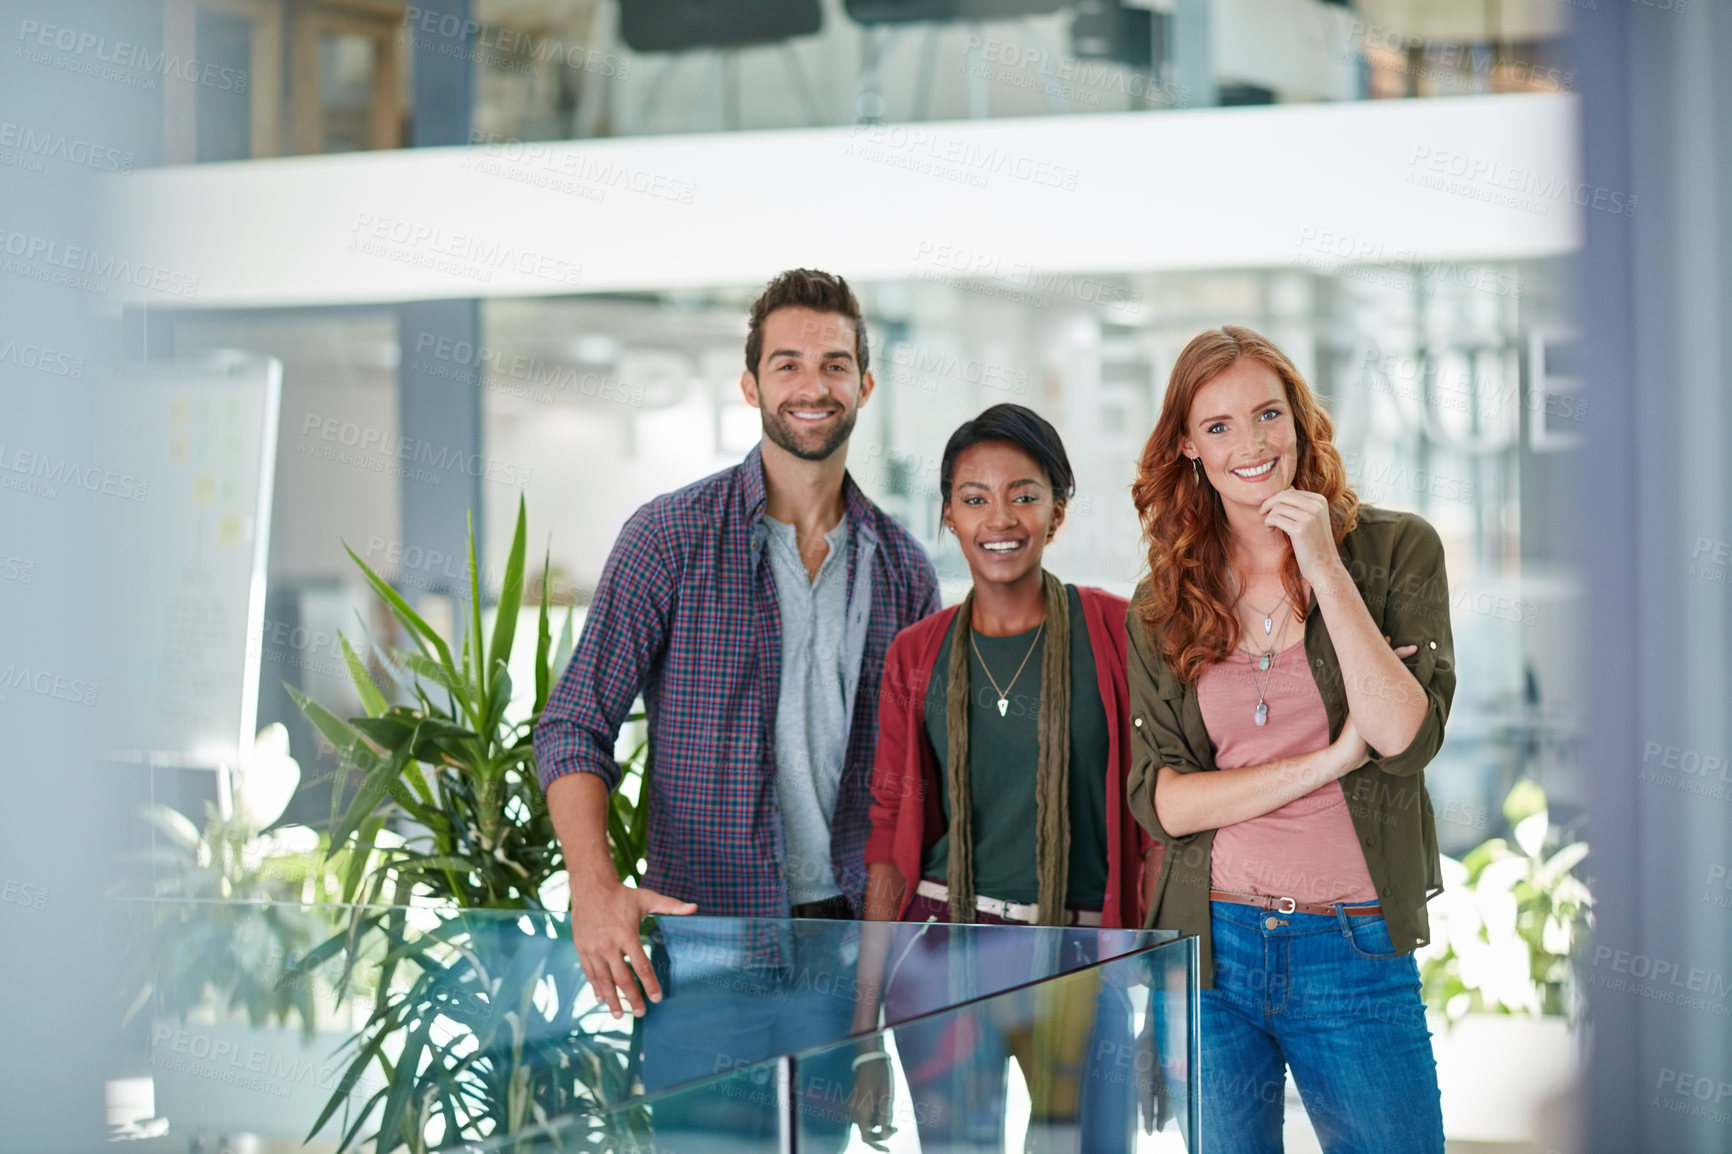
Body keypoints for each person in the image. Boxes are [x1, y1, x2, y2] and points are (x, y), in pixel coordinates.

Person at [532, 270, 940, 1124]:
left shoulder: (902, 567)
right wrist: (594, 887)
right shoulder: (670, 537)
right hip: (704, 944)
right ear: (751, 385)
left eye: (834, 364)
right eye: (787, 364)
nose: (812, 386)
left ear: (865, 385)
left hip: (837, 956)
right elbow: (575, 723)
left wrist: (874, 1014)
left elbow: (913, 792)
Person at [1126, 325, 1455, 1153]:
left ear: (1302, 422)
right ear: (1189, 449)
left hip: (1352, 943)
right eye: (1219, 426)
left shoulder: (1395, 549)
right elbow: (1164, 801)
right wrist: (1335, 758)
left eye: (1268, 414)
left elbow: (1405, 738)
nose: (1252, 444)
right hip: (1213, 951)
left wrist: (1323, 562)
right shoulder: (1166, 596)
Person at [852, 403, 1159, 1152]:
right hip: (939, 954)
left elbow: (1161, 830)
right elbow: (890, 849)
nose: (1001, 517)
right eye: (975, 497)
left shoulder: (1120, 633)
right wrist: (863, 1035)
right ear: (949, 517)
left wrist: (1167, 1012)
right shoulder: (915, 654)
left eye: (1025, 494)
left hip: (1081, 955)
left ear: (1058, 513)